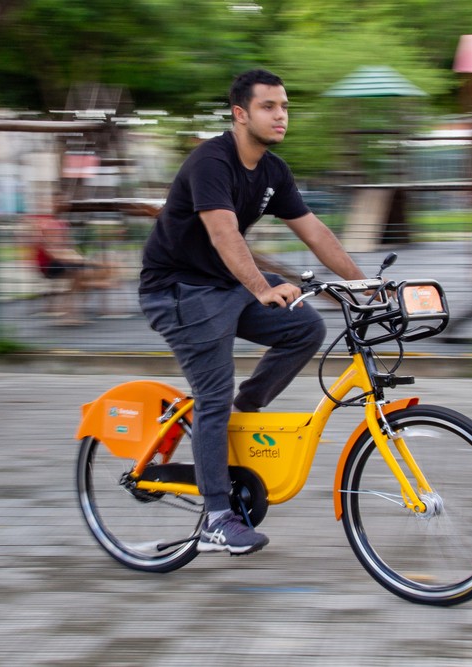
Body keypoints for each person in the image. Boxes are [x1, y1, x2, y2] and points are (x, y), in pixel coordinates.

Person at [138, 69, 367, 555]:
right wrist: (262, 287)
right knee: (211, 394)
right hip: (179, 291)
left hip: (223, 289)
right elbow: (224, 234)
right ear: (240, 114)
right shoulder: (211, 162)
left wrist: (362, 283)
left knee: (304, 326)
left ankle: (244, 411)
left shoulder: (273, 171)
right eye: (269, 106)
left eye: (284, 106)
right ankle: (216, 518)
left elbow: (314, 230)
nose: (280, 115)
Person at [30, 191, 114, 324]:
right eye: (56, 201)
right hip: (50, 264)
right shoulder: (44, 224)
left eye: (62, 202)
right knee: (82, 273)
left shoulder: (62, 223)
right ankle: (70, 313)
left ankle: (72, 309)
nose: (60, 205)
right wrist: (78, 260)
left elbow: (69, 248)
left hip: (65, 260)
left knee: (102, 268)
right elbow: (52, 252)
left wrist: (81, 259)